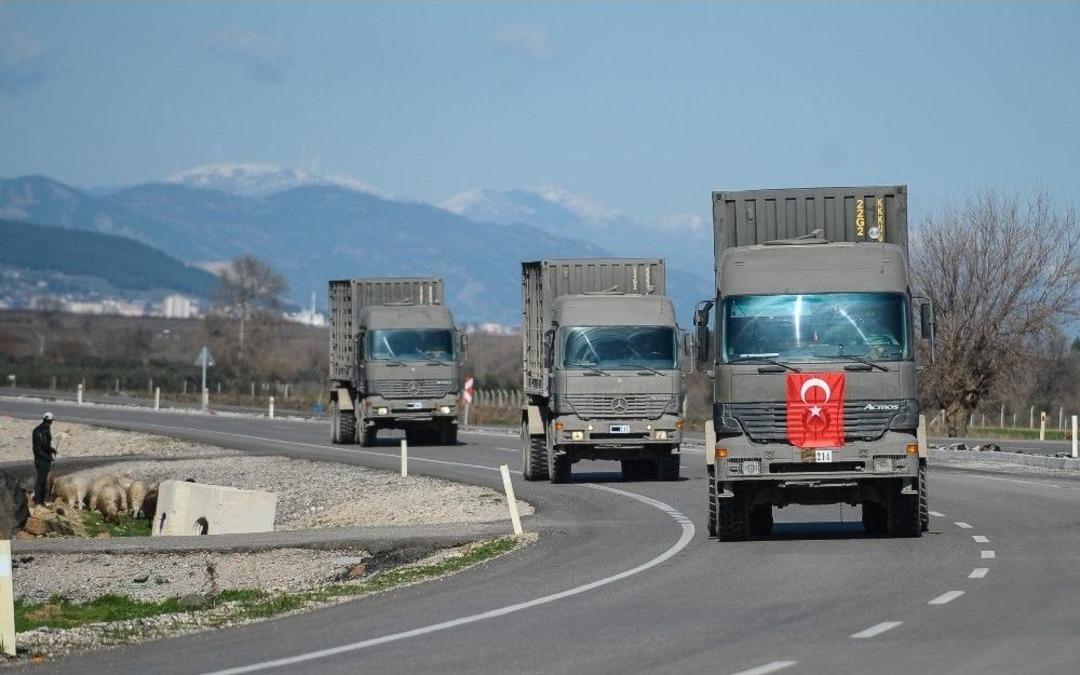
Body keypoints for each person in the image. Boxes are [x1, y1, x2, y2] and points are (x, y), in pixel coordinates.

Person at [32, 412, 57, 506]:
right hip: (42, 459)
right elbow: (42, 447)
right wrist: (48, 455)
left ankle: (40, 499)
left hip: (39, 458)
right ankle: (39, 501)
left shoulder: (38, 429)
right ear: (51, 421)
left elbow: (43, 446)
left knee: (42, 480)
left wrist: (51, 450)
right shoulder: (44, 431)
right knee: (41, 481)